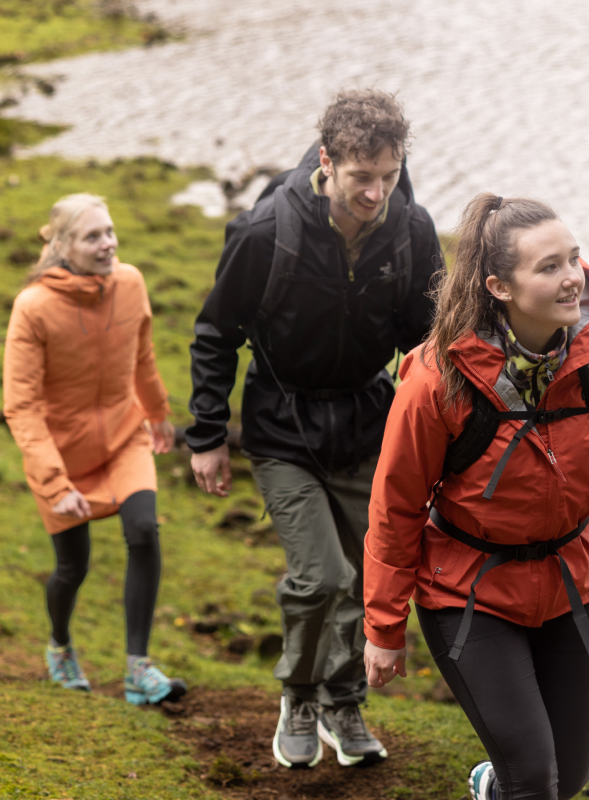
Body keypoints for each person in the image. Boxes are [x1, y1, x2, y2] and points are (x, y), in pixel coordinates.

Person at [360, 194, 589, 800]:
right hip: (468, 592)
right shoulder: (437, 377)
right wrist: (383, 624)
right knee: (534, 779)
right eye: (549, 267)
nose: (573, 279)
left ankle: (493, 788)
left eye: (575, 259)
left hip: (572, 582)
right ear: (498, 287)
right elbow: (396, 506)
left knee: (569, 779)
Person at [186, 89, 443, 769]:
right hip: (282, 428)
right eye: (362, 178)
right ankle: (299, 694)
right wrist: (208, 434)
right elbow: (216, 333)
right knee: (322, 576)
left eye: (388, 176)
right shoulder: (265, 232)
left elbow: (427, 342)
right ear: (327, 162)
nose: (376, 193)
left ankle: (343, 699)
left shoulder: (411, 231)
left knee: (369, 574)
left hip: (366, 422)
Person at [3, 193, 186, 707]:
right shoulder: (33, 307)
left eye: (110, 232)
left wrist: (157, 414)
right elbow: (21, 406)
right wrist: (55, 484)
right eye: (92, 236)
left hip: (125, 434)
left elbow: (143, 356)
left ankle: (138, 669)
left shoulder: (130, 283)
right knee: (72, 568)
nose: (107, 244)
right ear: (62, 245)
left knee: (145, 531)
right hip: (60, 453)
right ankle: (59, 647)